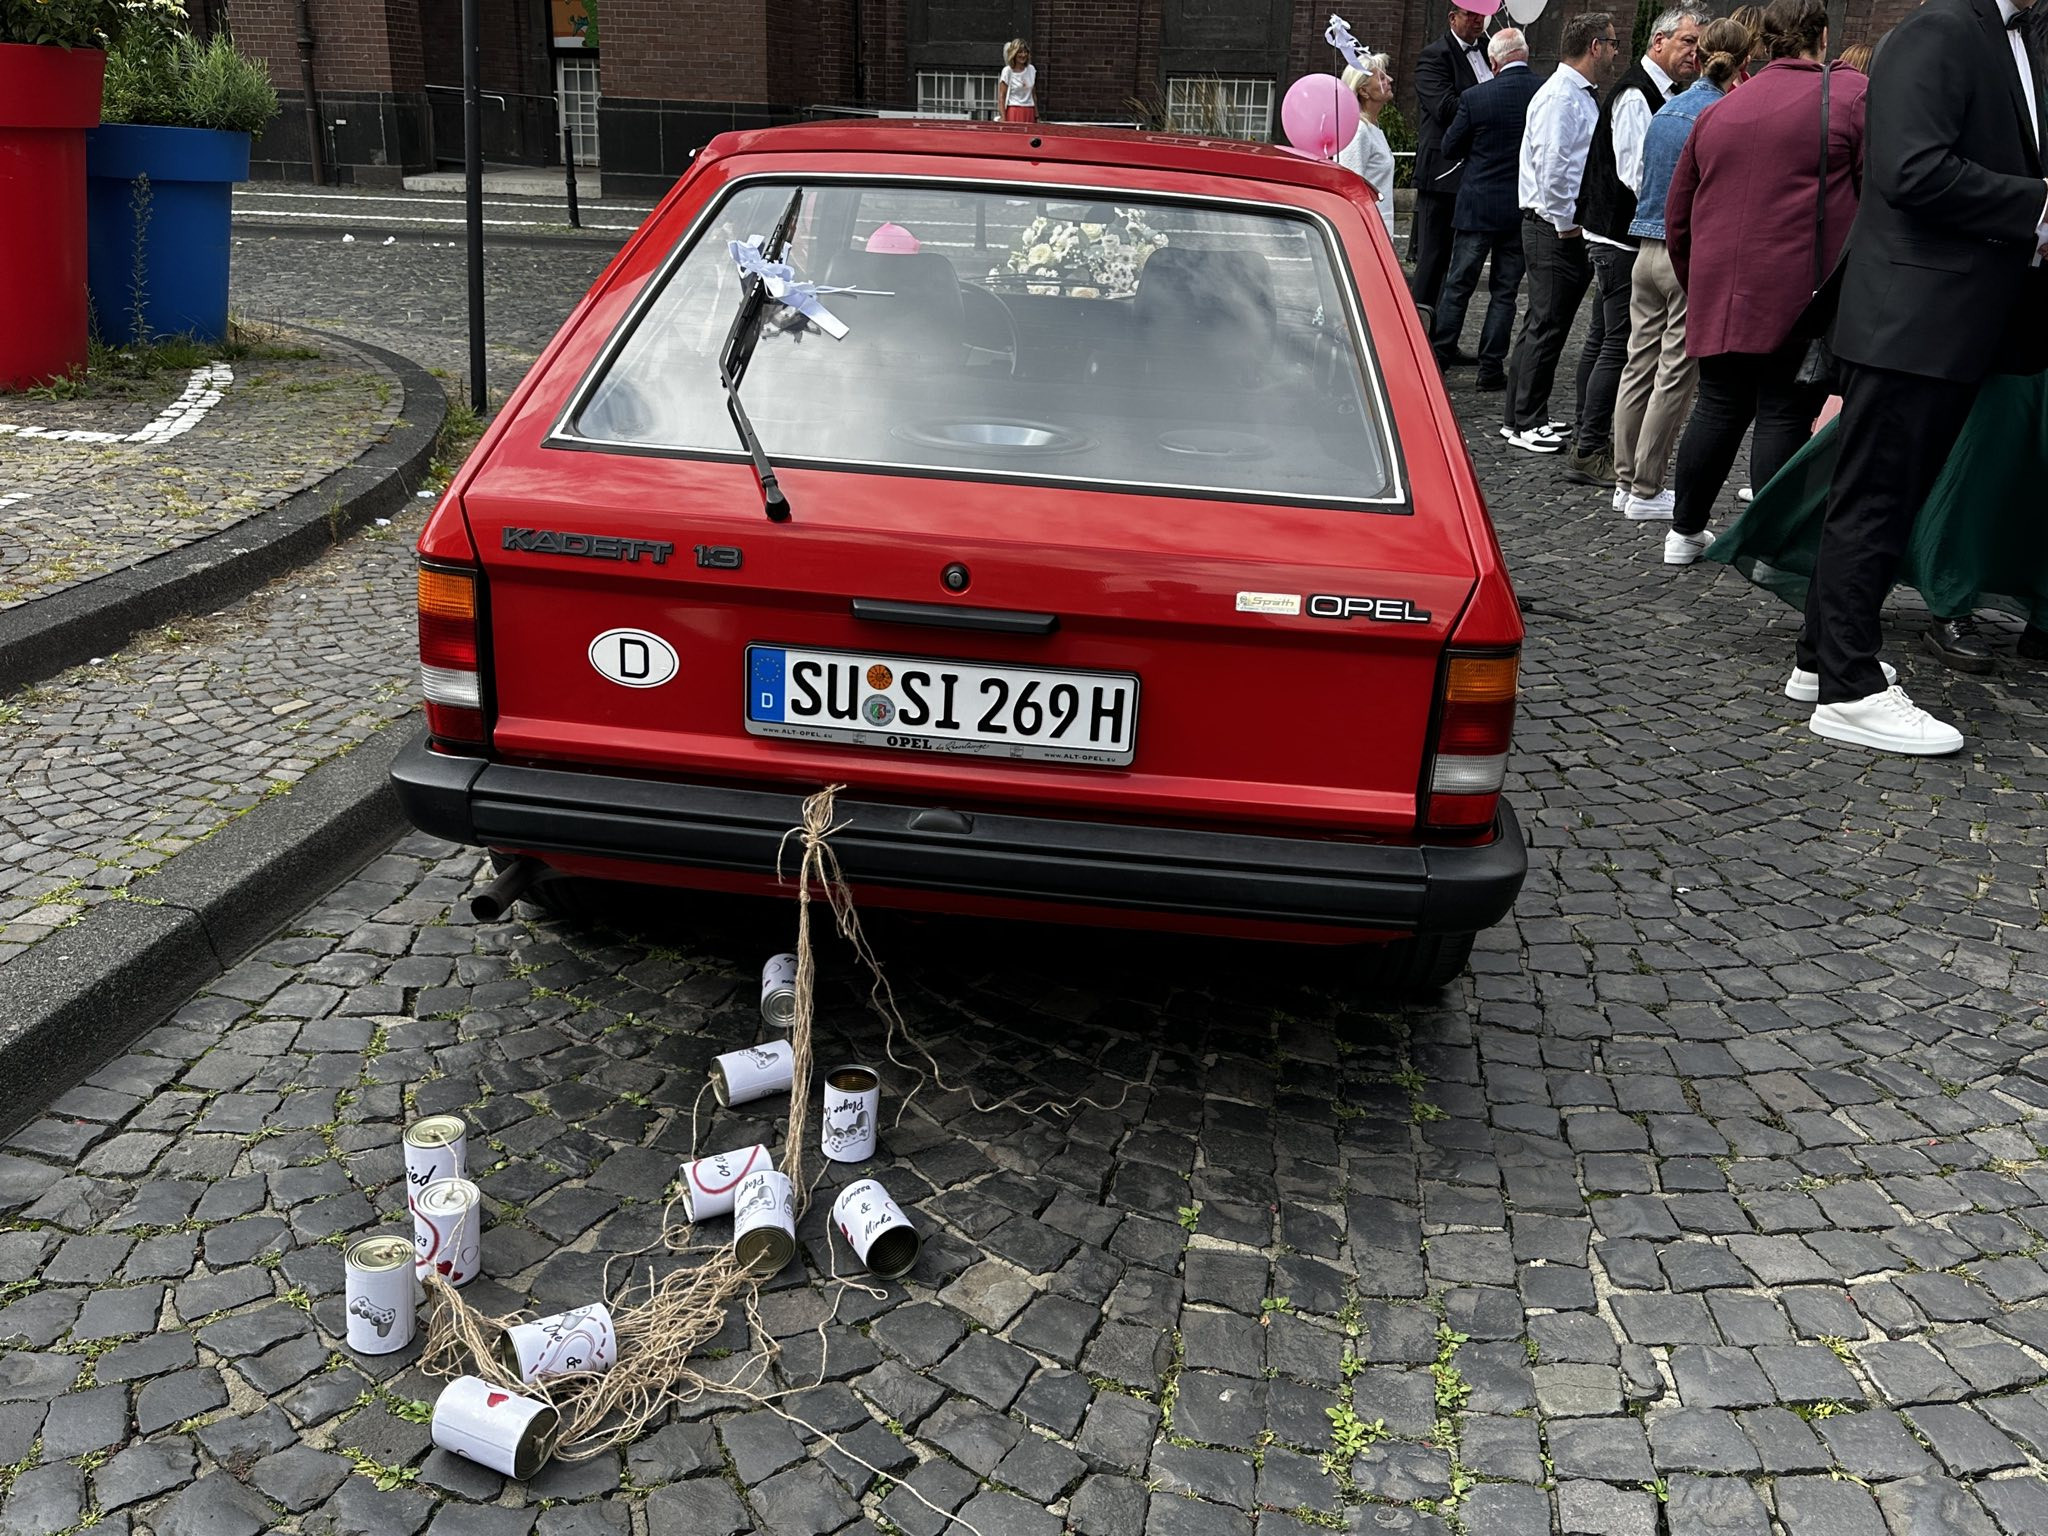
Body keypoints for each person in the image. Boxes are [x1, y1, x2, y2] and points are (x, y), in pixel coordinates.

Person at [1788, 0, 2048, 753]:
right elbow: (1912, 170)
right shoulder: (1941, 29)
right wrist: (2039, 204)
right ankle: (1849, 690)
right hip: (1915, 319)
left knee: (1877, 498)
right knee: (1876, 502)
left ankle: (1820, 658)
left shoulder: (2000, 37)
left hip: (1940, 320)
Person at [1660, 0, 1865, 566]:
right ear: (1821, 37)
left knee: (1718, 406)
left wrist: (1698, 282)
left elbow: (1679, 216)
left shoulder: (1719, 109)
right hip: (1802, 293)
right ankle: (1772, 546)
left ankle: (1684, 531)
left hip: (1722, 290)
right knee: (1783, 410)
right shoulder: (1848, 99)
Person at [1706, 370, 2048, 669]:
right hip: (1985, 339)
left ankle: (2041, 612)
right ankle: (1949, 602)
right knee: (1967, 466)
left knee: (2026, 469)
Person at [1611, 15, 1753, 520]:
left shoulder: (1668, 108)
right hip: (1679, 252)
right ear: (1744, 60)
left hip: (1645, 249)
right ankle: (1645, 489)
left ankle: (1625, 481)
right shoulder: (1721, 115)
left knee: (1637, 365)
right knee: (1673, 374)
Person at [1564, 8, 1706, 488]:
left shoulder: (1662, 94)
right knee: (1620, 349)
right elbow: (1636, 173)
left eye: (1699, 45)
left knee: (1607, 342)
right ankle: (1590, 447)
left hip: (1622, 236)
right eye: (1688, 42)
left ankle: (1591, 437)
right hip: (1620, 239)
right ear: (1658, 41)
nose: (1695, 53)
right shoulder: (1634, 94)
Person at [1501, 12, 1622, 453]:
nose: (1613, 51)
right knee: (1547, 324)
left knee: (1541, 322)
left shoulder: (1574, 94)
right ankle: (1526, 420)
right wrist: (1568, 226)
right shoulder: (1561, 98)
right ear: (1594, 46)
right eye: (1611, 43)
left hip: (1554, 224)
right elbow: (1554, 169)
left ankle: (1520, 416)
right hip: (1553, 227)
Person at [1432, 28, 1541, 389]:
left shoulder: (1476, 97)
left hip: (1478, 204)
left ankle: (1440, 359)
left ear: (1494, 63)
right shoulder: (1543, 93)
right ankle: (1491, 369)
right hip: (1518, 206)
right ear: (1525, 55)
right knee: (1505, 292)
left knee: (1458, 285)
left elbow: (1450, 147)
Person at [1411, 0, 1503, 325]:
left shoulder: (1492, 51)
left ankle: (1445, 335)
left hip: (1479, 172)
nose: (1479, 20)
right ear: (1453, 17)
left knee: (1461, 265)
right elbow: (1446, 108)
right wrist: (1493, 102)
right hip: (1442, 171)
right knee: (1433, 259)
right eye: (1471, 14)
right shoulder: (1435, 56)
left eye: (1483, 15)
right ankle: (1418, 333)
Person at [1338, 52, 1400, 242]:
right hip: (1365, 230)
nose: (1389, 79)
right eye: (1381, 77)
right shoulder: (1359, 130)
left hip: (1378, 225)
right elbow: (1350, 185)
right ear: (1363, 91)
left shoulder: (1373, 128)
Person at [998, 40, 1037, 122]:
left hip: (1029, 110)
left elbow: (1033, 94)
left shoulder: (1031, 69)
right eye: (1020, 52)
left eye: (1025, 52)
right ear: (1014, 53)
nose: (1023, 55)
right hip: (1014, 110)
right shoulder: (1007, 71)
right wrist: (1003, 117)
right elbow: (1002, 96)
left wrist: (1037, 116)